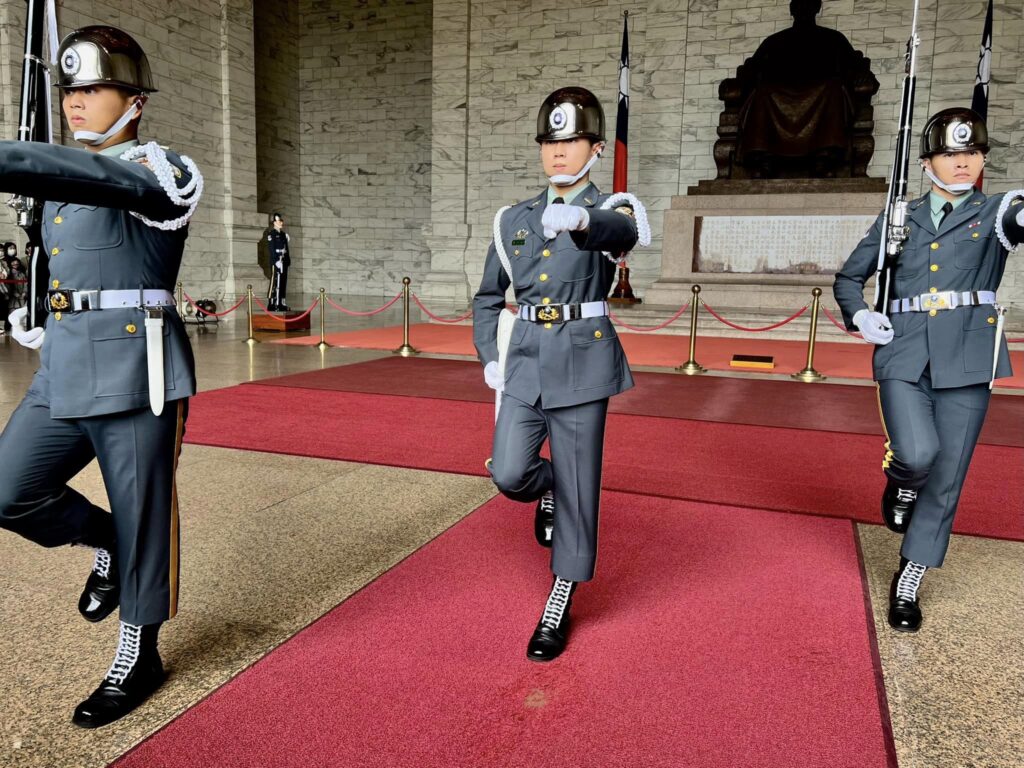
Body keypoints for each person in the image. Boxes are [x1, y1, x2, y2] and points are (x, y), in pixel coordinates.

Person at [0, 25, 203, 727]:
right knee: (9, 490)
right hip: (62, 364)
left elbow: (108, 182)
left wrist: (15, 159)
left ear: (135, 99)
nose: (77, 102)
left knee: (147, 514)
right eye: (70, 91)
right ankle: (104, 540)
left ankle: (137, 652)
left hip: (135, 368)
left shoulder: (165, 170)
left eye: (92, 89)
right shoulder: (56, 181)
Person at [473, 86, 649, 661]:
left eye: (572, 140)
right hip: (523, 358)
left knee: (581, 485)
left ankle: (561, 594)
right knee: (509, 473)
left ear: (596, 147)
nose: (559, 151)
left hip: (582, 359)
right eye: (551, 141)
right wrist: (491, 356)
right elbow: (485, 297)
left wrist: (582, 221)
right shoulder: (513, 219)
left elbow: (621, 235)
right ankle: (544, 491)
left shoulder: (612, 207)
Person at [833, 107, 1023, 632]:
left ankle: (909, 578)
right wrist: (861, 314)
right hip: (903, 350)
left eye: (972, 153)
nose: (963, 163)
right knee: (917, 455)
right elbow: (849, 278)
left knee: (947, 477)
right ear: (926, 163)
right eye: (951, 153)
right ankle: (900, 481)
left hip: (967, 355)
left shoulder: (999, 211)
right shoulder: (899, 216)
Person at [266, 212, 291, 311]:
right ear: (274, 222)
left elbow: (286, 248)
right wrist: (276, 261)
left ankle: (281, 302)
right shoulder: (271, 234)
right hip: (276, 261)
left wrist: (287, 260)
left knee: (283, 282)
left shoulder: (283, 234)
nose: (281, 222)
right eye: (279, 220)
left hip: (283, 260)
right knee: (275, 281)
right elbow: (272, 249)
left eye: (281, 220)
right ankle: (272, 303)